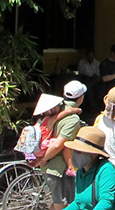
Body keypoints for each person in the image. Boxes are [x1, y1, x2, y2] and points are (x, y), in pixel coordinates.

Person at [39, 81, 86, 210]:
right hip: (56, 168)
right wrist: (43, 159)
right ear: (81, 98)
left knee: (58, 203)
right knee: (63, 204)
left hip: (50, 164)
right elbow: (58, 145)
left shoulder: (55, 108)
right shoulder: (72, 119)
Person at [63, 127, 115, 210]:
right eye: (74, 150)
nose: (75, 154)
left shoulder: (106, 170)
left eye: (79, 151)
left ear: (93, 154)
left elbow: (106, 201)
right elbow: (79, 203)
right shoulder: (81, 171)